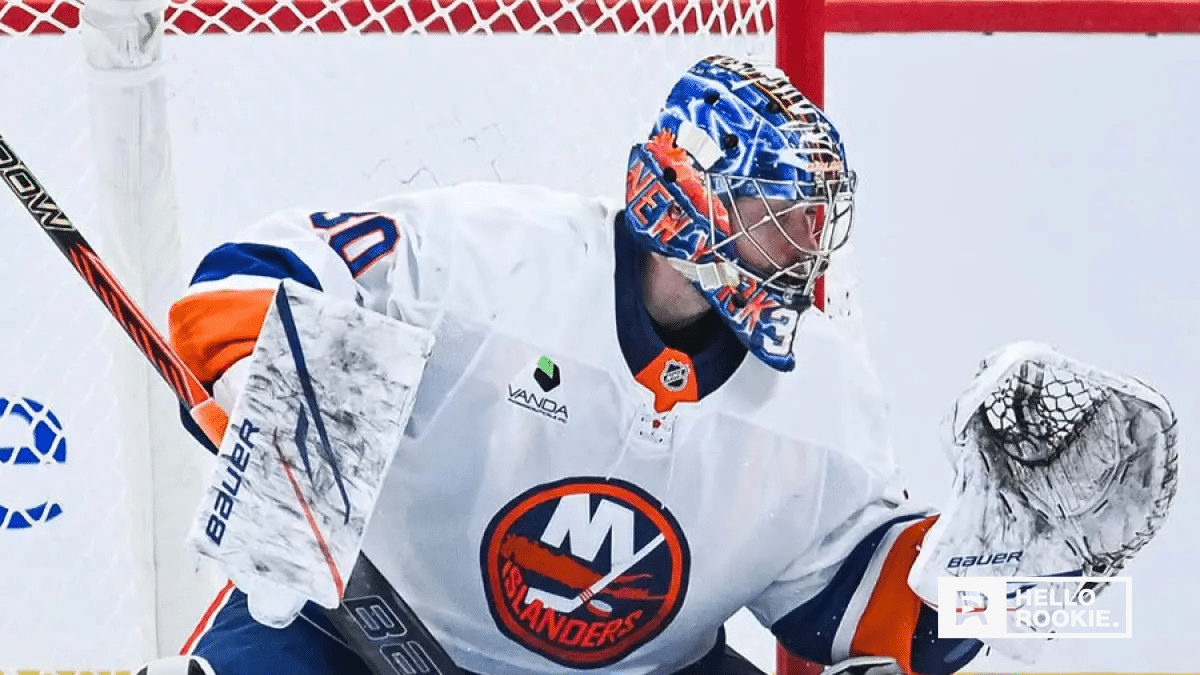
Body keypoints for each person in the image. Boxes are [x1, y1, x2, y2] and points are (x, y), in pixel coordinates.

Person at [166, 54, 982, 675]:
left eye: (810, 225)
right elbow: (256, 272)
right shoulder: (492, 259)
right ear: (689, 197)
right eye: (776, 217)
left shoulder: (824, 391)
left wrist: (1015, 582)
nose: (801, 253)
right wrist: (261, 387)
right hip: (352, 633)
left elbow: (874, 604)